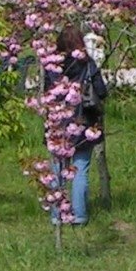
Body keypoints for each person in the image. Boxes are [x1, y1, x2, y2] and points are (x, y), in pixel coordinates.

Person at [44, 25, 109, 226]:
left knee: (57, 169)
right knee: (80, 169)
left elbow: (47, 94)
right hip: (83, 123)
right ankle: (79, 215)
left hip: (58, 123)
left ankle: (57, 215)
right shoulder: (87, 64)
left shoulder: (51, 65)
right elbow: (102, 90)